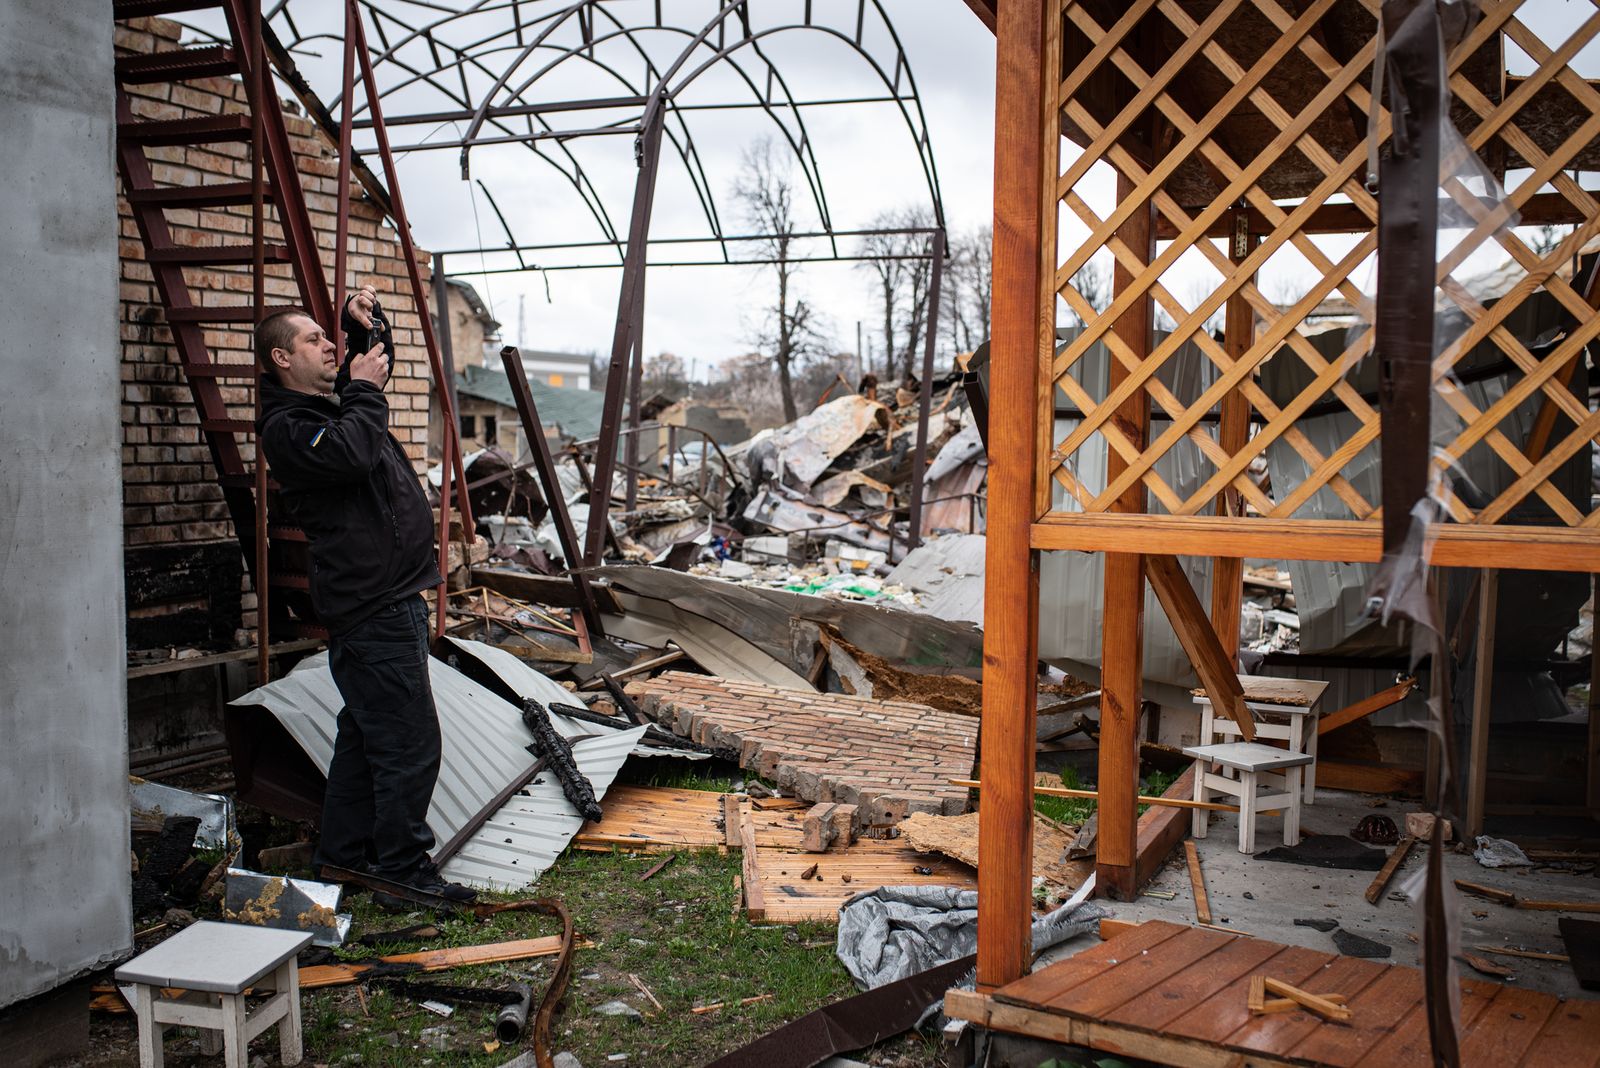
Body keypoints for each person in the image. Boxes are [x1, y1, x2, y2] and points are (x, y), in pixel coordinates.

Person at [255, 285, 474, 905]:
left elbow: (370, 372)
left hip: (389, 596)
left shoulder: (328, 408)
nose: (328, 346)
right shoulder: (290, 428)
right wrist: (365, 392)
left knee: (365, 736)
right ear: (282, 358)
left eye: (329, 338)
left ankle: (343, 858)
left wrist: (363, 324)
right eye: (314, 339)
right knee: (409, 743)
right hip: (372, 605)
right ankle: (402, 871)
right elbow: (353, 451)